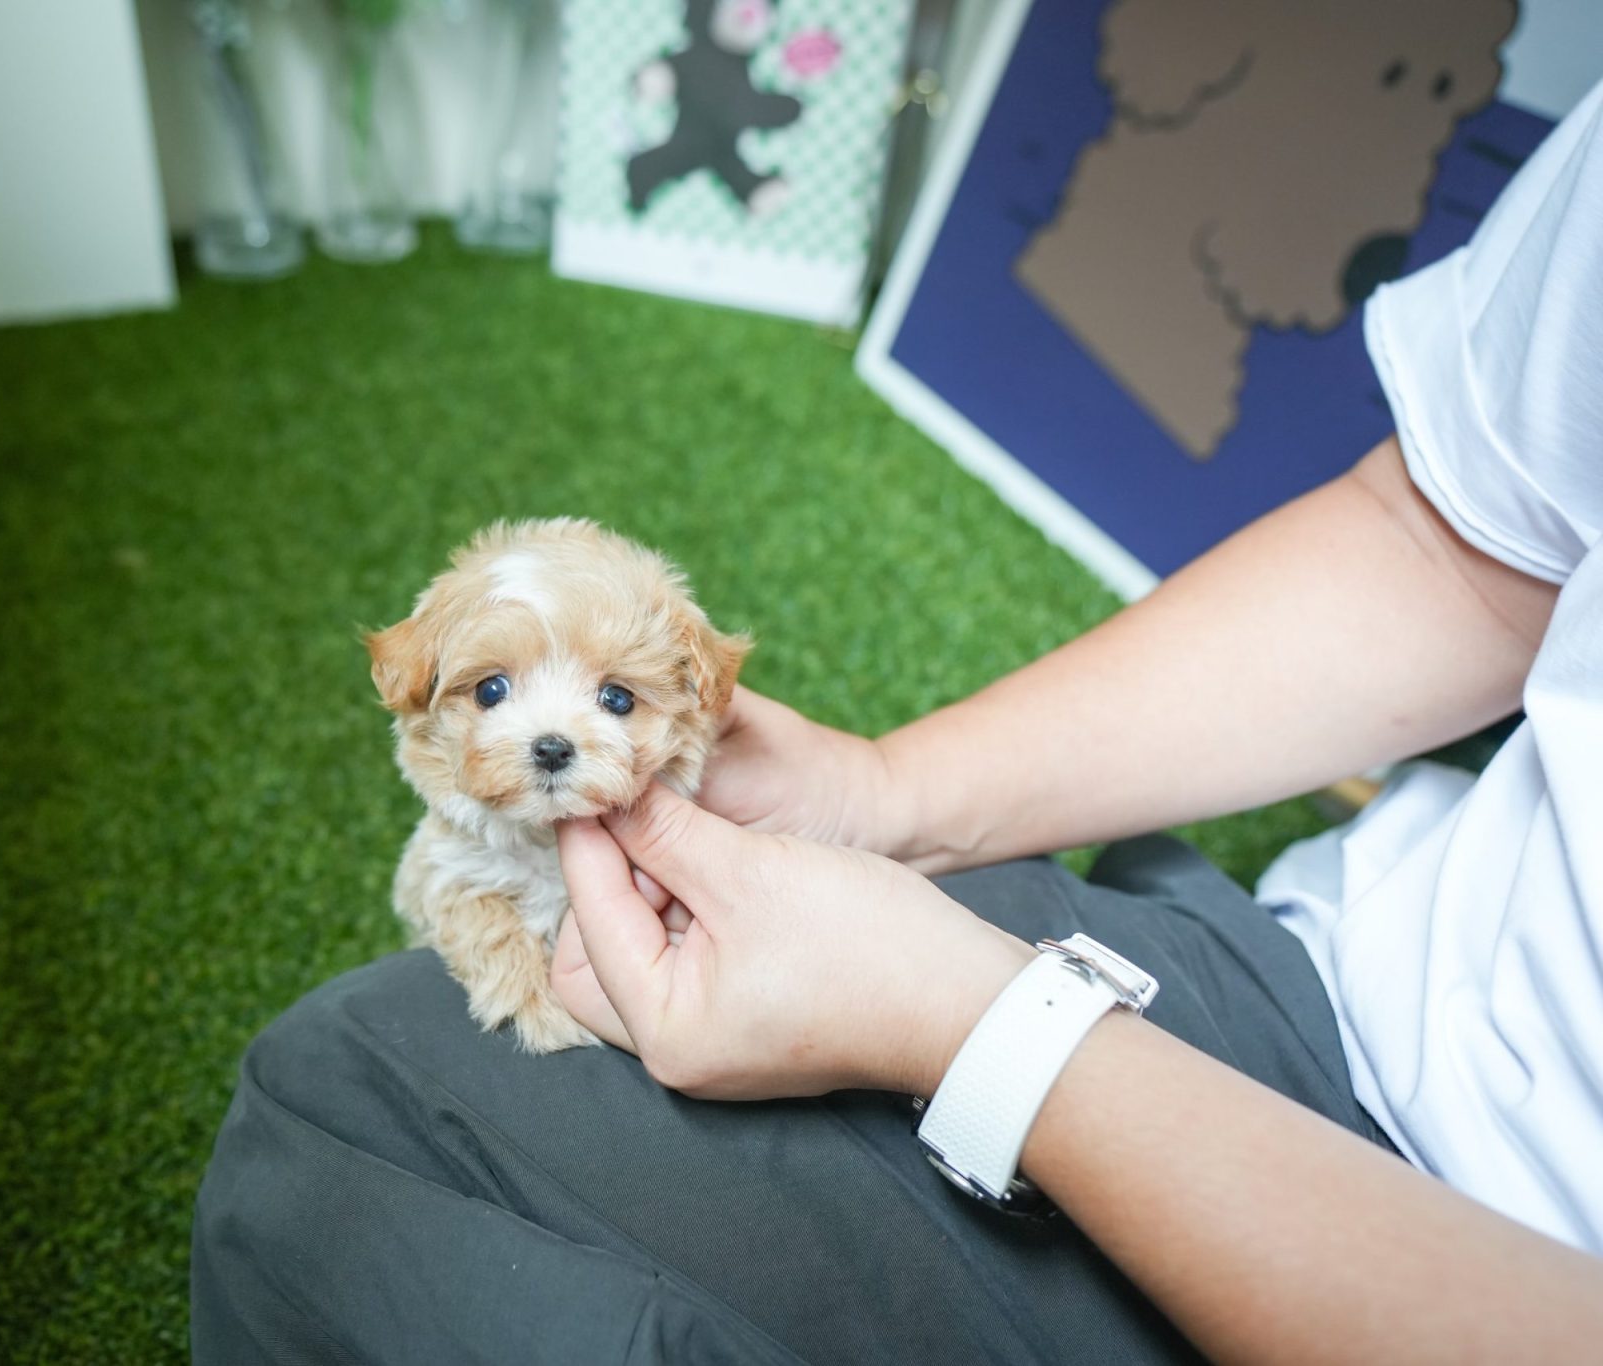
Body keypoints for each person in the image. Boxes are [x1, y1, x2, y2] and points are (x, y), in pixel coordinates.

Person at [192, 81, 1603, 1364]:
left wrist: (971, 1018)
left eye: (612, 694)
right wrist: (889, 792)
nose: (552, 726)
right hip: (1322, 982)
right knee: (337, 1120)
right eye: (499, 689)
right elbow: (1455, 549)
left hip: (1433, 1235)